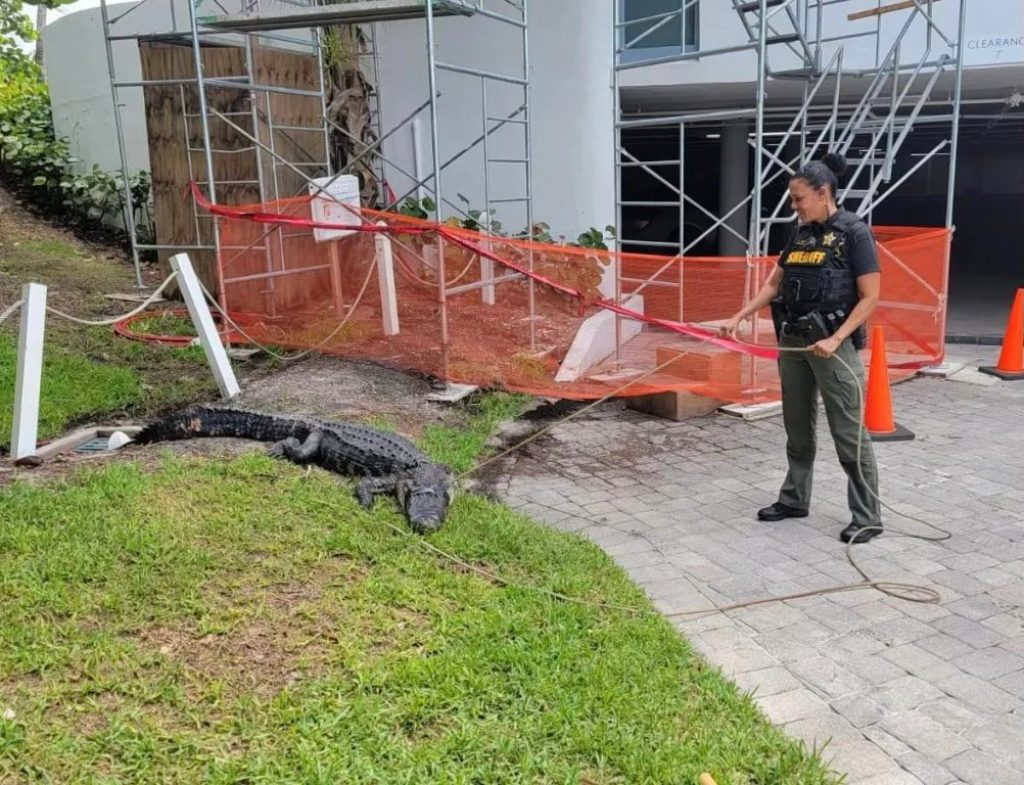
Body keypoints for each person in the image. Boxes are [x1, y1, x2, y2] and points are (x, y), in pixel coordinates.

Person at [720, 152, 883, 544]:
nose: (794, 206)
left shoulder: (854, 233)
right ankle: (794, 499)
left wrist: (837, 337)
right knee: (797, 427)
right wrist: (739, 315)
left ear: (823, 192)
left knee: (848, 434)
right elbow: (774, 285)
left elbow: (870, 297)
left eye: (798, 198)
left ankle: (867, 515)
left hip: (832, 348)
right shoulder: (798, 234)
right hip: (793, 342)